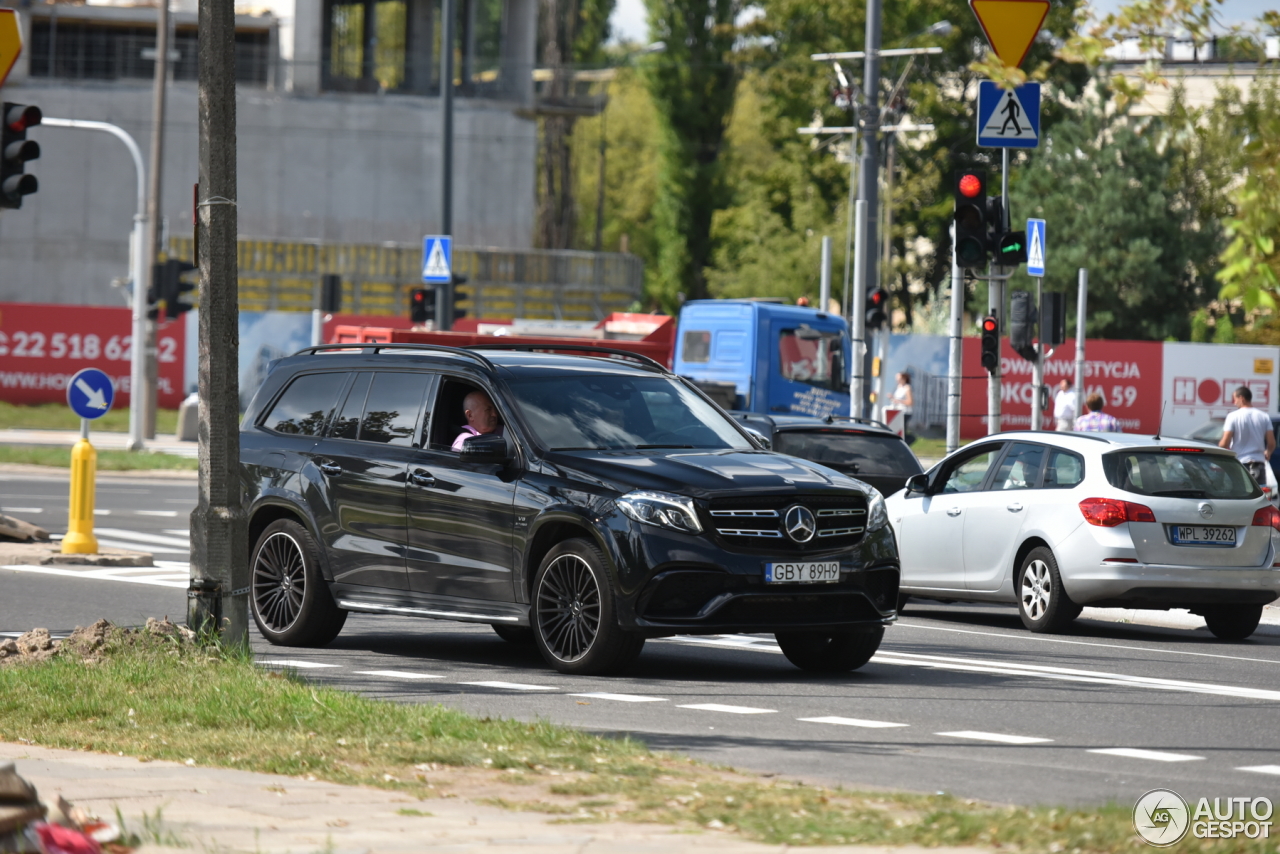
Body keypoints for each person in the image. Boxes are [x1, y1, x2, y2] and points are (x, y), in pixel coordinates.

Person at [1220, 385, 1274, 486]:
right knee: (1259, 495)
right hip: (1258, 463)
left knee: (1238, 494)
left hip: (1239, 462)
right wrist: (1268, 451)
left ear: (1241, 398)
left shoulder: (1233, 416)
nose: (1234, 402)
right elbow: (1271, 442)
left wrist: (1218, 451)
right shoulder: (1264, 416)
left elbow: (1225, 442)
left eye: (1235, 399)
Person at [891, 372, 914, 440]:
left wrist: (898, 401)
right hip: (897, 412)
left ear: (904, 379)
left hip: (905, 413)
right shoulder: (898, 387)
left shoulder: (907, 388)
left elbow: (910, 402)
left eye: (899, 378)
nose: (897, 380)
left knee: (902, 432)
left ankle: (910, 440)